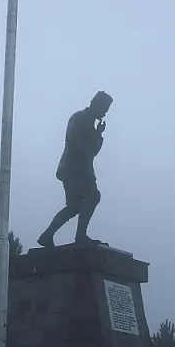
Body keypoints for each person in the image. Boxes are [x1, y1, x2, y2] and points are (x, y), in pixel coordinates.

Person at [37, 91, 113, 247]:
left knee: (74, 206)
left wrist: (98, 135)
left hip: (81, 168)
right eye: (104, 109)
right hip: (73, 168)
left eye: (106, 111)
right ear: (96, 104)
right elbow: (73, 141)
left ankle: (47, 235)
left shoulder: (92, 126)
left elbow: (93, 152)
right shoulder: (79, 117)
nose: (104, 114)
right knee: (92, 196)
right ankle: (80, 236)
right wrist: (86, 160)